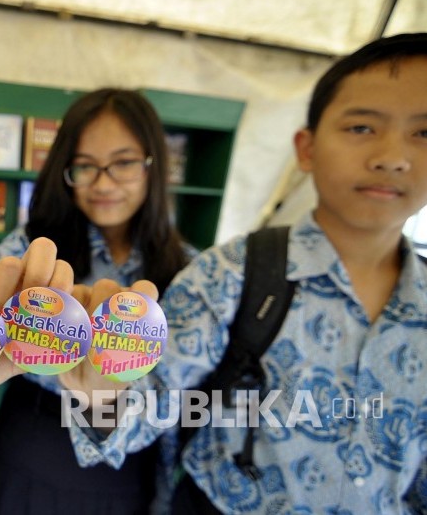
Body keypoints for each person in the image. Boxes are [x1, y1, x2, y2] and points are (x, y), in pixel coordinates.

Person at [67, 33, 427, 514]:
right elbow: (150, 402)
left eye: (424, 132)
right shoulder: (228, 275)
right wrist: (99, 395)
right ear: (306, 148)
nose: (392, 156)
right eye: (362, 127)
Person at [0, 88, 191, 514]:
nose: (104, 183)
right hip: (36, 448)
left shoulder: (189, 269)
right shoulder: (33, 250)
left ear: (154, 166)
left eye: (124, 163)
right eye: (85, 166)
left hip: (131, 465)